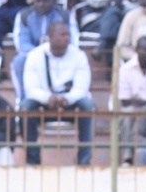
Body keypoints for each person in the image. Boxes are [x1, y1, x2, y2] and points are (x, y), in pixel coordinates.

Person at [21, 20, 96, 166]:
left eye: (68, 34)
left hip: (70, 102)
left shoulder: (79, 55)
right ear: (50, 36)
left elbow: (82, 88)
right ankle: (33, 160)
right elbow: (31, 88)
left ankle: (84, 161)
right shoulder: (35, 55)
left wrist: (67, 99)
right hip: (44, 103)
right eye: (62, 35)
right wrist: (47, 98)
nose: (66, 38)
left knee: (88, 106)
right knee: (26, 107)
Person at [11, 0, 78, 99]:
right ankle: (23, 100)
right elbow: (21, 44)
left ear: (53, 1)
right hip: (33, 55)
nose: (41, 4)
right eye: (38, 1)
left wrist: (54, 52)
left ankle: (68, 98)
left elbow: (73, 41)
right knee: (18, 61)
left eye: (45, 1)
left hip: (60, 53)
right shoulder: (24, 15)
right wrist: (42, 53)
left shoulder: (65, 15)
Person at [82, 0, 142, 68]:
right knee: (112, 11)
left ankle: (103, 45)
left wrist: (119, 3)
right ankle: (113, 69)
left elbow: (138, 7)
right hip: (96, 21)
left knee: (116, 23)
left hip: (121, 24)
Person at [117, 36, 146, 166]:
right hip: (133, 108)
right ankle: (127, 158)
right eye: (144, 50)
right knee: (127, 114)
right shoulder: (125, 70)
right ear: (136, 50)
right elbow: (124, 100)